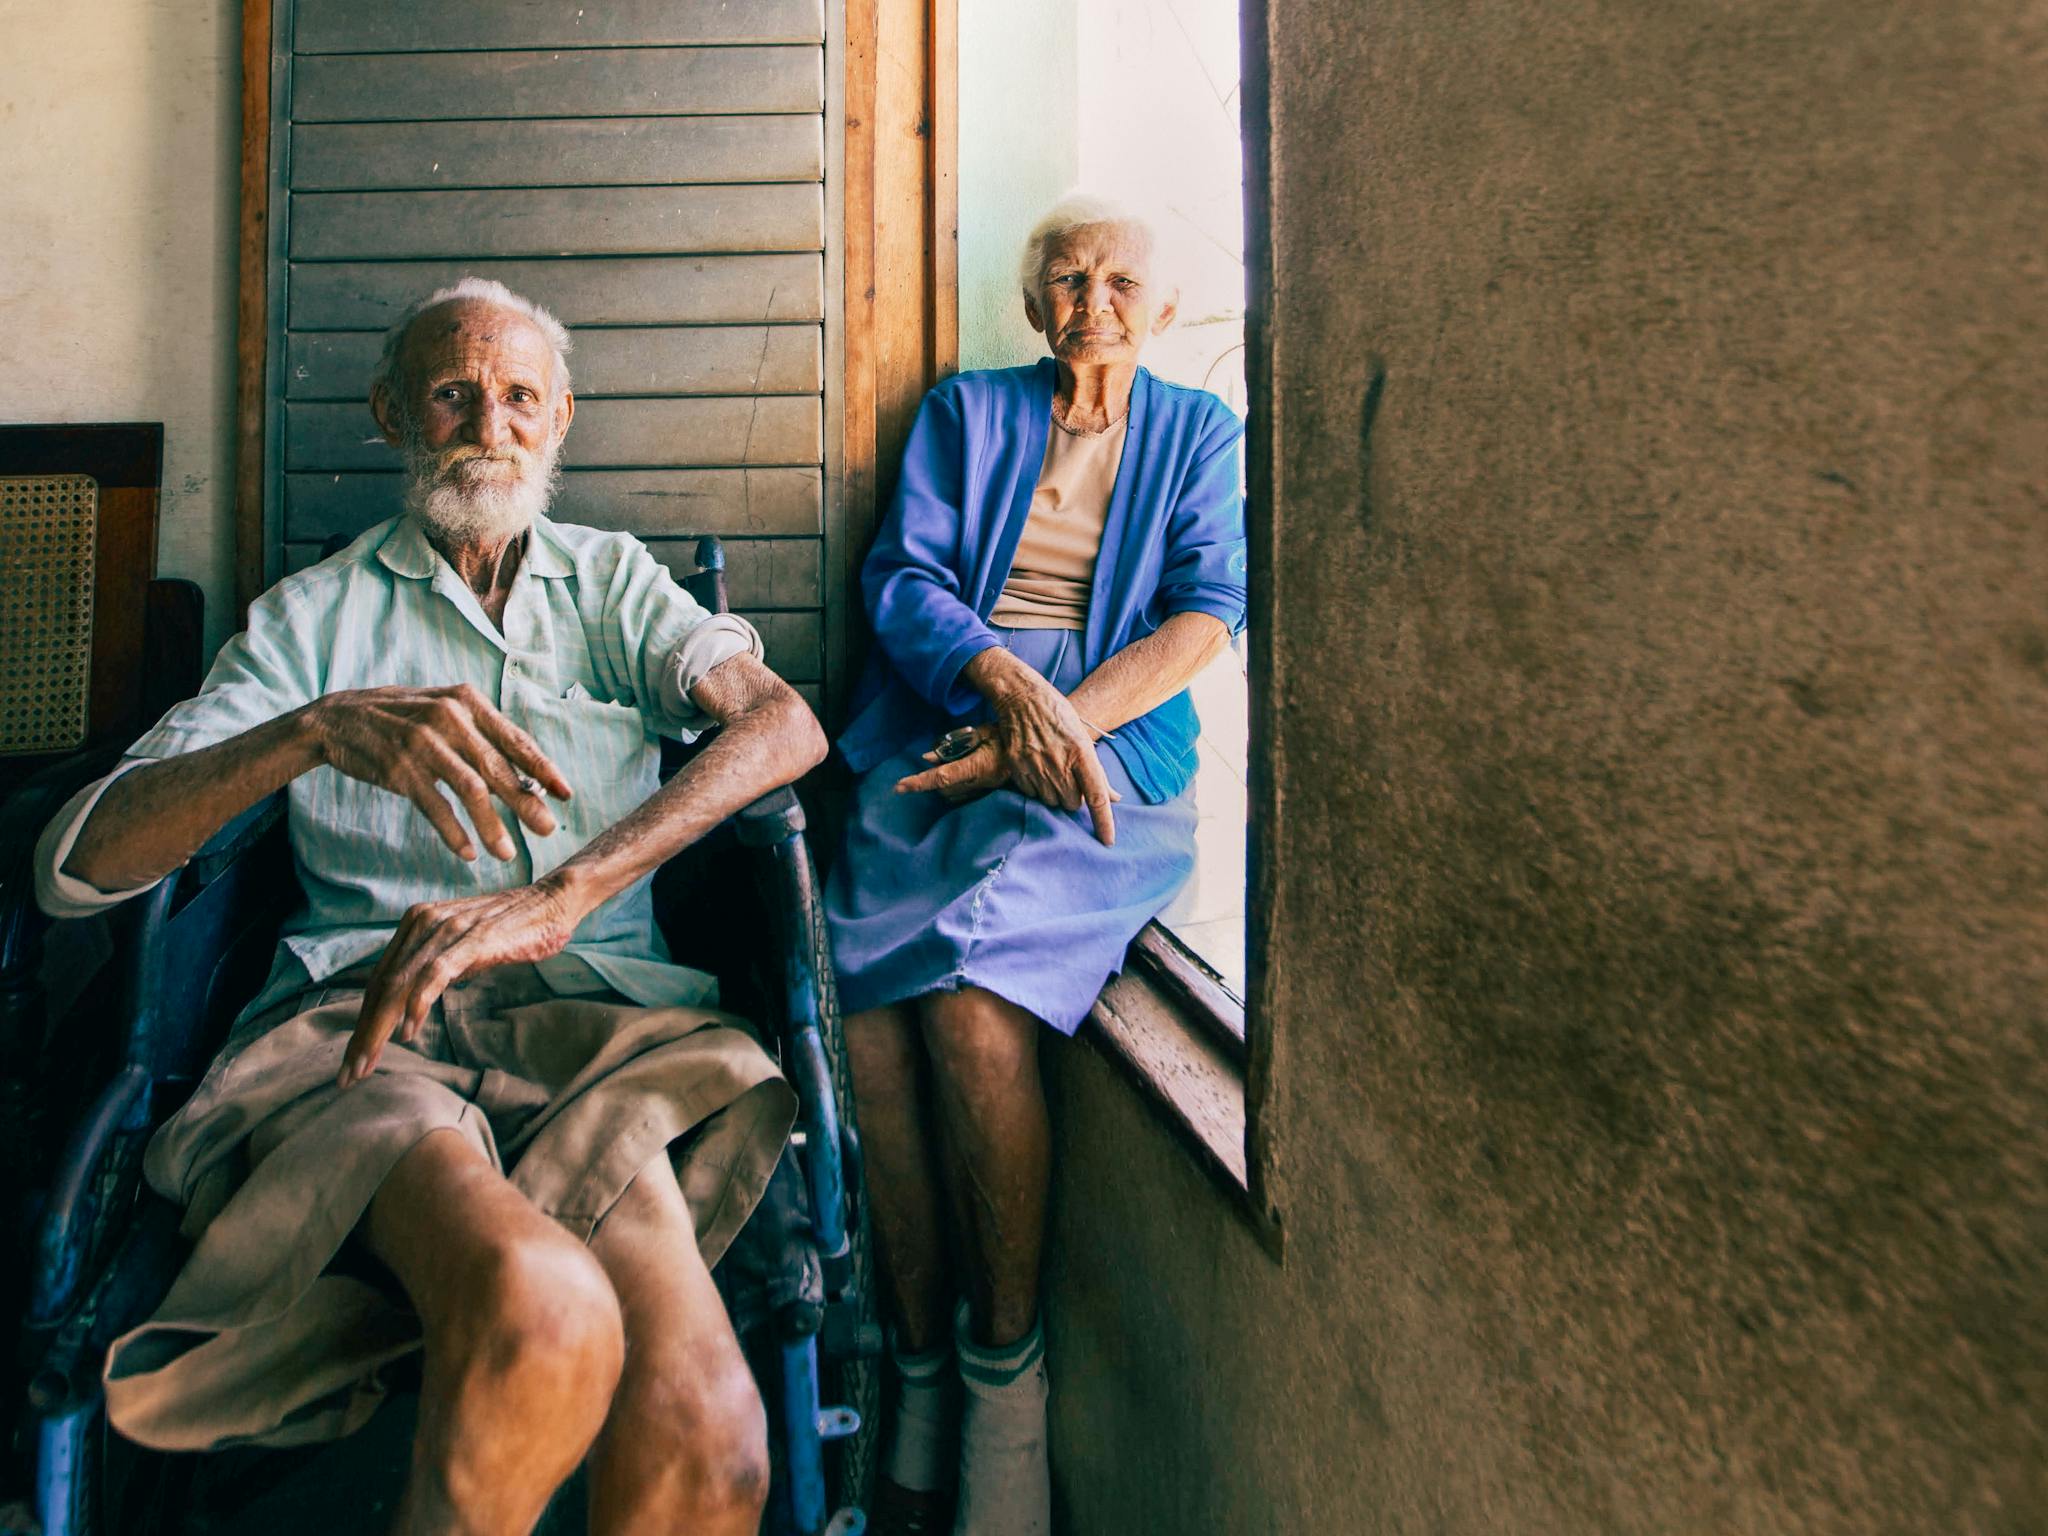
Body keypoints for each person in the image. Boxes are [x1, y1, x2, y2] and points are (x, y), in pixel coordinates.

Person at [33, 278, 827, 1536]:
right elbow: (75, 862)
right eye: (452, 394)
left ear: (561, 417)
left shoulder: (613, 585)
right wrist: (310, 733)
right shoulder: (312, 622)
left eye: (519, 397)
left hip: (603, 1031)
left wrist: (565, 893)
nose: (488, 424)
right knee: (537, 1309)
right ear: (392, 414)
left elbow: (784, 724)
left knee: (711, 1437)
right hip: (368, 1038)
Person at [825, 195, 1249, 1535]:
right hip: (945, 716)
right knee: (868, 1027)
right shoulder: (969, 411)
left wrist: (1060, 728)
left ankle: (1005, 1376)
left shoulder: (1200, 432)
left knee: (968, 1000)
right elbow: (905, 580)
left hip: (1107, 753)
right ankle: (920, 1357)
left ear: (1165, 307)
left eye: (1125, 281)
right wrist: (1002, 681)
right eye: (1069, 280)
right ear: (1033, 305)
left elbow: (1205, 612)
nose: (1096, 302)